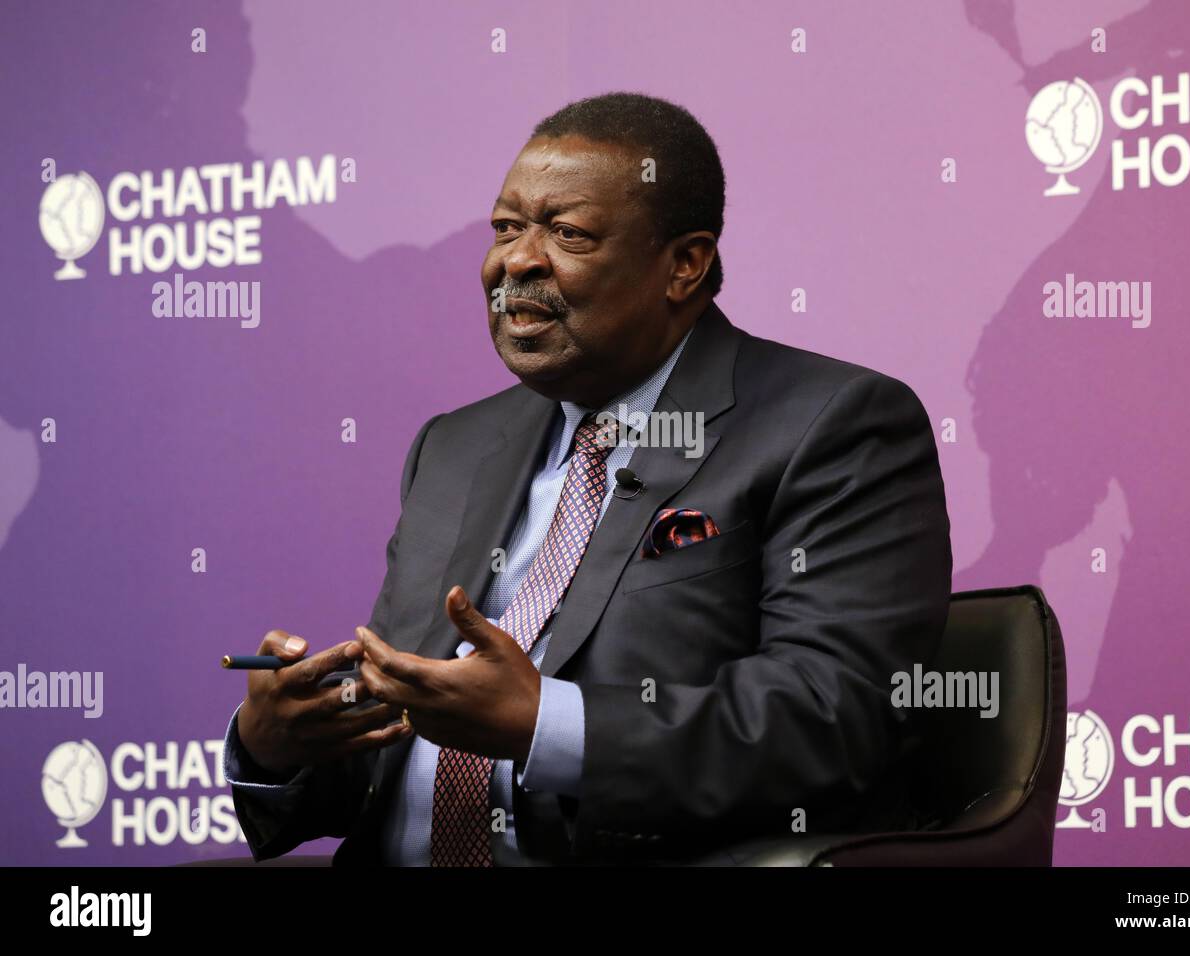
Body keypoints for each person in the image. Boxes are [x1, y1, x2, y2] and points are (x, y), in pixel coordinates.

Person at [222, 91, 953, 866]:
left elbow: (834, 718)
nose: (517, 261)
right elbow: (400, 755)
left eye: (567, 233)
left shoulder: (831, 424)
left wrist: (549, 724)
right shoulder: (456, 447)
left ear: (684, 266)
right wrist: (278, 746)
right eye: (506, 229)